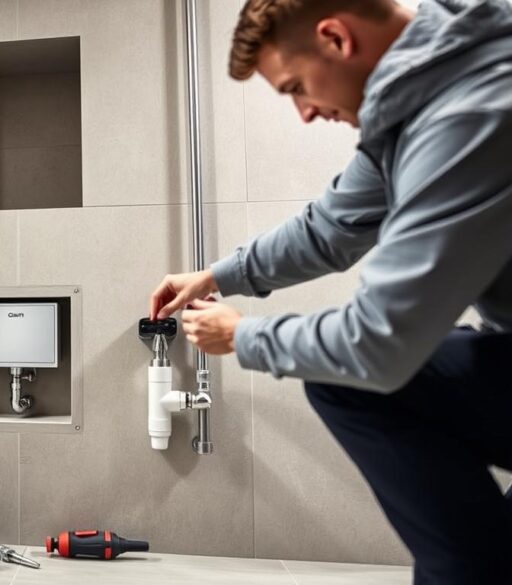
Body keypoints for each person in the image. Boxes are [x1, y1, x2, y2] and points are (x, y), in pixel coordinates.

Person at [148, 0, 512, 582]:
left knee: (351, 383)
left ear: (336, 38)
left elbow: (379, 343)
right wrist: (217, 274)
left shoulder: (470, 112)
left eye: (295, 87)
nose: (306, 113)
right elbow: (328, 229)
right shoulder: (420, 100)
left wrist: (243, 335)